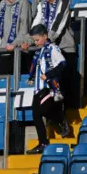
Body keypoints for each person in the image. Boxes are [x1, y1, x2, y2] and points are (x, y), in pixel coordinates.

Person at [28, 0, 77, 106]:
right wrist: (31, 39)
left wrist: (46, 40)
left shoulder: (64, 0)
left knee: (65, 83)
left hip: (64, 46)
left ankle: (66, 115)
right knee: (50, 84)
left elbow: (58, 22)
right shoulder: (42, 4)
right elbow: (36, 23)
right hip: (47, 48)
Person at [25, 24, 69, 154]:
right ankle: (43, 142)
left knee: (41, 111)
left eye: (37, 40)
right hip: (38, 88)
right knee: (35, 115)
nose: (35, 42)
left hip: (49, 87)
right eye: (34, 40)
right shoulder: (39, 51)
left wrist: (49, 75)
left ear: (45, 37)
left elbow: (62, 64)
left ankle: (59, 119)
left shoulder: (53, 48)